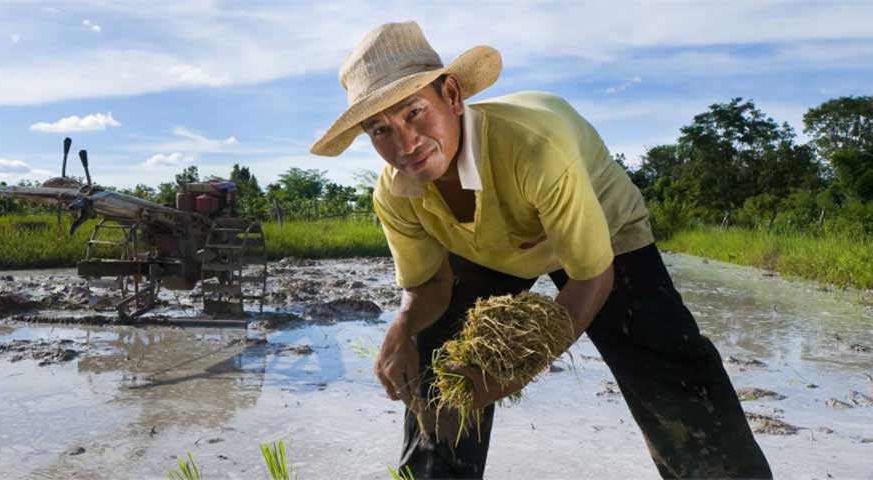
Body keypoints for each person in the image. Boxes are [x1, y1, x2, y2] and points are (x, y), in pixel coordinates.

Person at [309, 21, 772, 479]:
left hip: (602, 228)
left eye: (414, 112)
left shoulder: (535, 148)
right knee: (438, 364)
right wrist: (403, 328)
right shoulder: (395, 194)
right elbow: (429, 284)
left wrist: (515, 371)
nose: (405, 144)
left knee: (664, 363)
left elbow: (592, 276)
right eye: (380, 130)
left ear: (451, 95)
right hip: (489, 243)